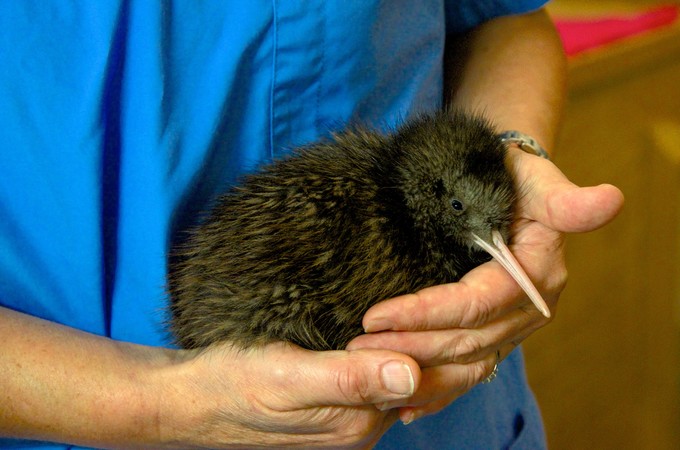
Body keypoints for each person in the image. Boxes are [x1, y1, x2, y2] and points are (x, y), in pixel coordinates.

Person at [0, 1, 624, 449]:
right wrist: (162, 408)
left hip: (440, 413)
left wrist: (511, 156)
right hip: (80, 414)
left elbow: (503, 17)